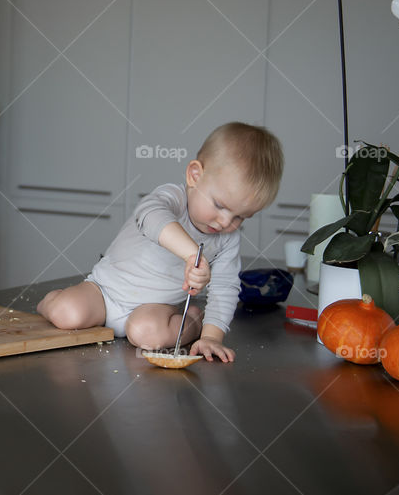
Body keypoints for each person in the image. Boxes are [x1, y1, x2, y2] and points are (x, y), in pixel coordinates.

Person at [37, 123, 283, 362]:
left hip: (155, 309)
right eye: (219, 205)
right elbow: (151, 218)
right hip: (104, 292)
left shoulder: (228, 239)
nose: (224, 222)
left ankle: (193, 321)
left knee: (146, 334)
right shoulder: (172, 199)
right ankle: (51, 301)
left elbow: (225, 289)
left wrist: (212, 337)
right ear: (195, 175)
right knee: (66, 313)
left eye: (240, 216)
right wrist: (191, 255)